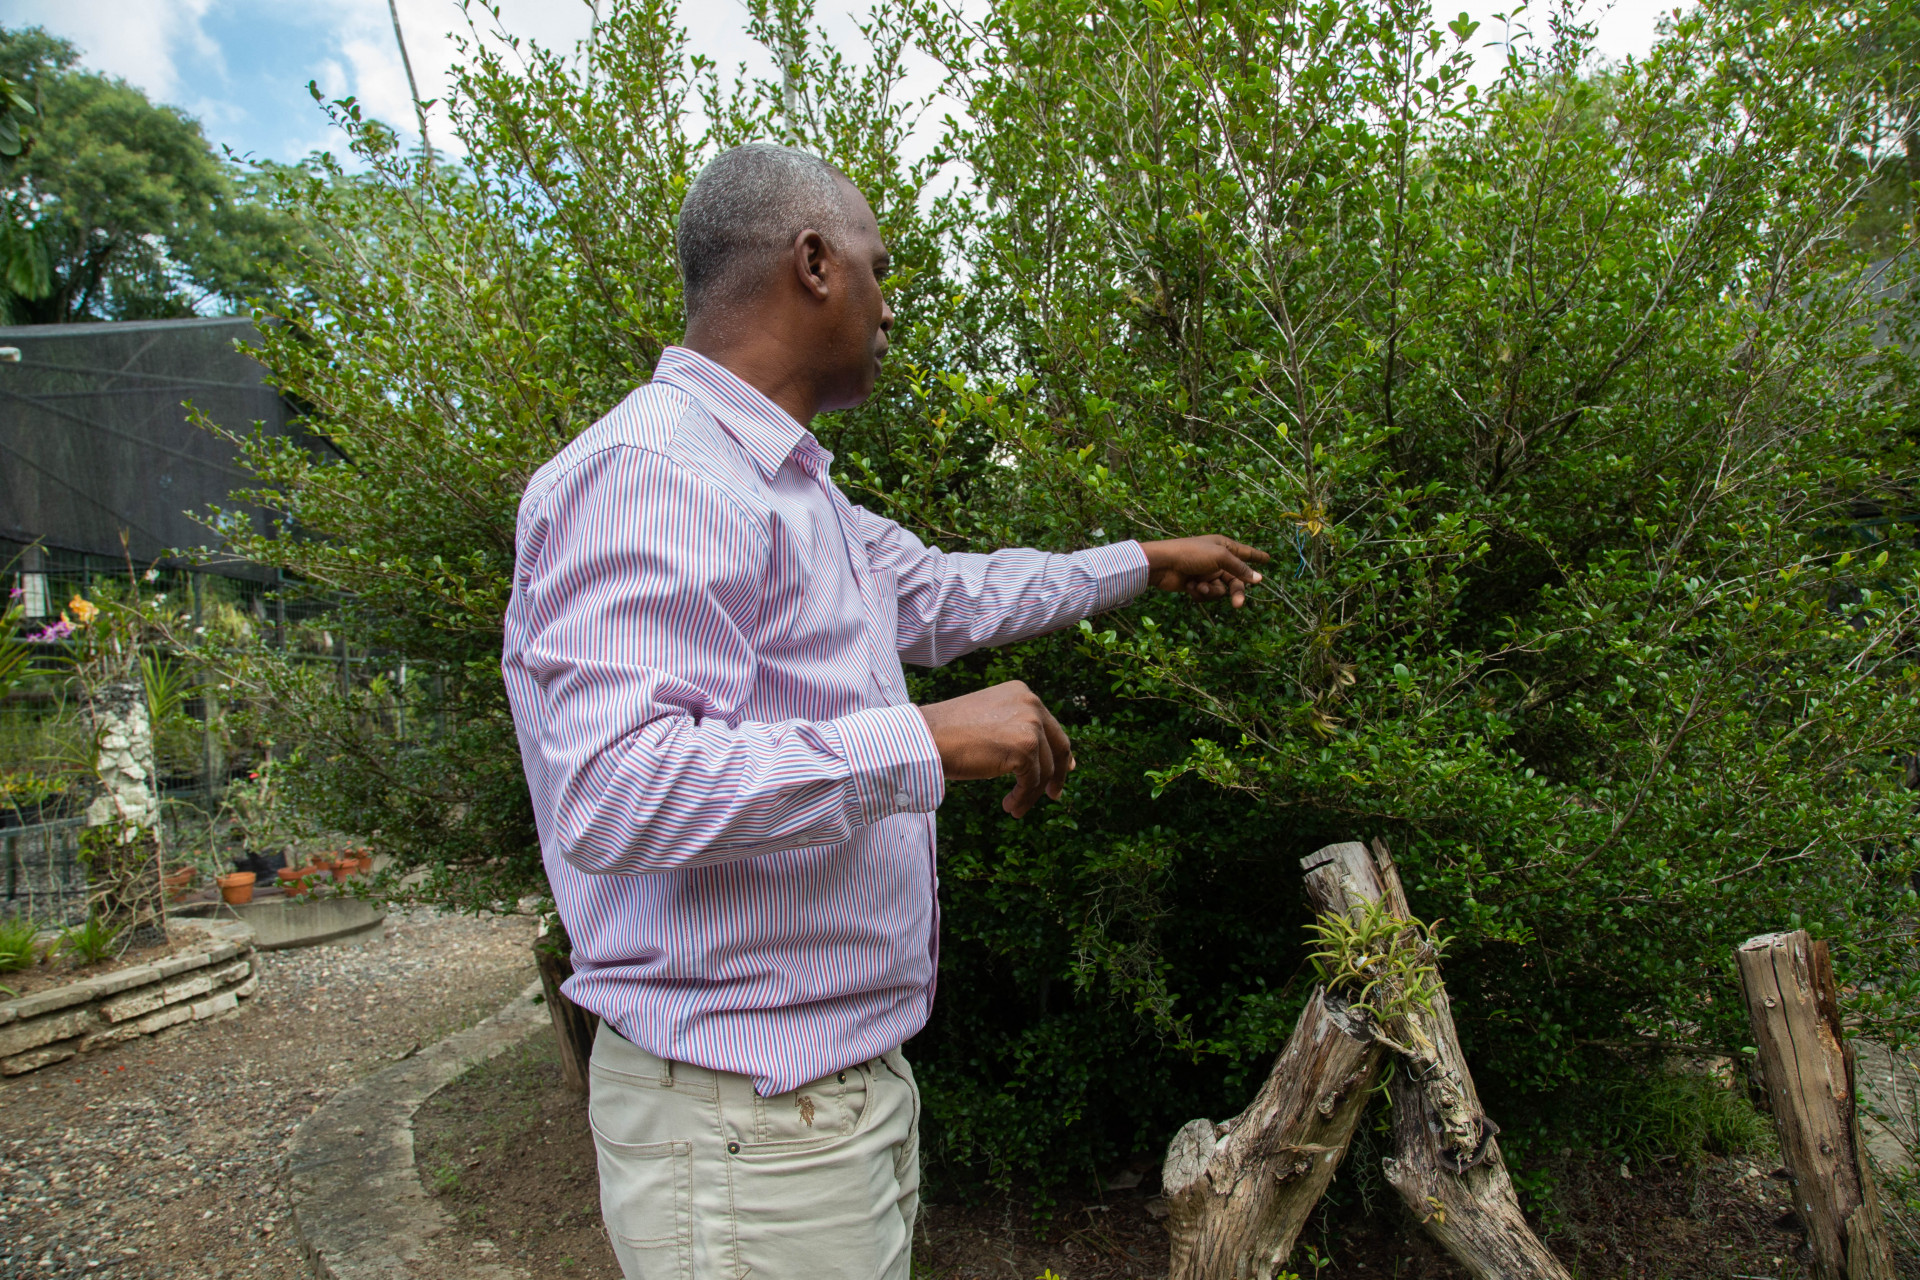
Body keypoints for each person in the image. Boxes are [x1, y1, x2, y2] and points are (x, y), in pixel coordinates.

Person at [501, 142, 1268, 1280]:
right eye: (880, 267)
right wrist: (925, 739)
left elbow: (952, 593)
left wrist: (1147, 561)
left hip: (824, 1099)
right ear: (814, 263)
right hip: (744, 1121)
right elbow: (616, 791)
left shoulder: (789, 487)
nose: (890, 306)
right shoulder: (653, 473)